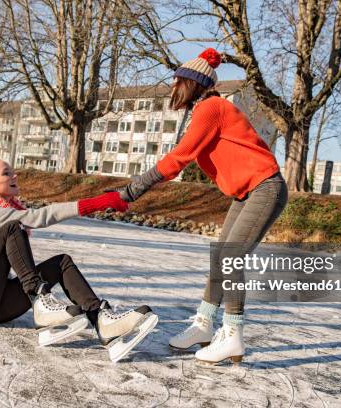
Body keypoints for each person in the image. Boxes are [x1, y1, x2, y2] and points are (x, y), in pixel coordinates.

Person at [117, 48, 288, 364]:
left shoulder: (211, 107)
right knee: (219, 258)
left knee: (230, 258)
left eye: (177, 81)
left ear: (191, 82)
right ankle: (203, 325)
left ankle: (233, 335)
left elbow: (177, 160)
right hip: (246, 192)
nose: (173, 88)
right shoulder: (205, 109)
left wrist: (132, 189)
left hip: (265, 188)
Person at [0, 159, 158, 362]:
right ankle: (40, 303)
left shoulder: (6, 211)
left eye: (12, 171)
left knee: (61, 262)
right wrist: (98, 203)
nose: (14, 175)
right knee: (13, 227)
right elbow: (38, 217)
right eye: (6, 173)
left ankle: (101, 320)